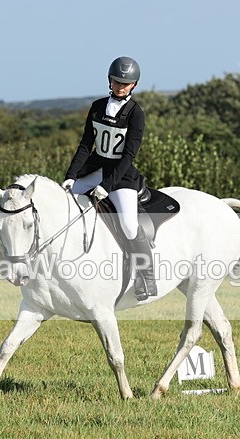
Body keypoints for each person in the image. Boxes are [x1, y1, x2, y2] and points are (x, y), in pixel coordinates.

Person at [62, 56, 157, 301]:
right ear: (110, 81)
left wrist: (107, 185)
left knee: (128, 224)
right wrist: (71, 177)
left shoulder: (136, 114)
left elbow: (128, 155)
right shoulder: (96, 107)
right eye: (117, 82)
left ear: (133, 85)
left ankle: (147, 276)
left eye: (126, 84)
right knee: (65, 204)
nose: (120, 87)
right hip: (94, 168)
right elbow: (85, 144)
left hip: (121, 175)